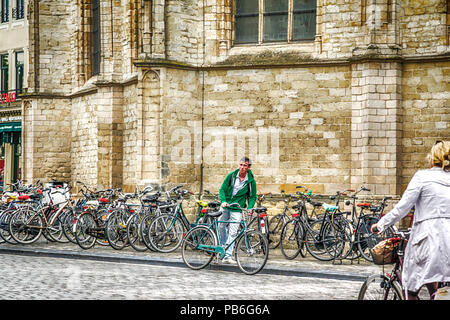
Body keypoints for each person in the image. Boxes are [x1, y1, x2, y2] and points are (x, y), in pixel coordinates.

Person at [371, 140, 450, 300]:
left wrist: (381, 224)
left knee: (411, 288)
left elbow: (403, 207)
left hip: (428, 238)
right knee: (436, 276)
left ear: (432, 158)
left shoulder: (422, 176)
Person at [218, 157, 257, 263]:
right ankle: (222, 247)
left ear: (249, 167)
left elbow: (253, 196)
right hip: (226, 206)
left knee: (233, 232)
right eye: (241, 165)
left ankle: (228, 256)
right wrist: (223, 201)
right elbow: (222, 189)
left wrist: (250, 207)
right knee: (221, 226)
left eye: (245, 165)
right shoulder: (231, 176)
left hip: (237, 208)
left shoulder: (251, 181)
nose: (242, 167)